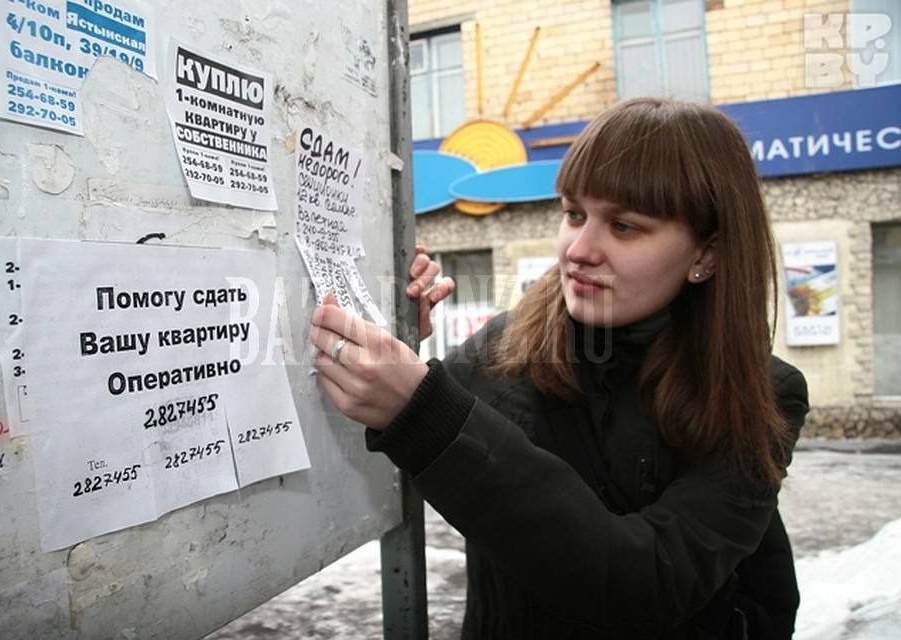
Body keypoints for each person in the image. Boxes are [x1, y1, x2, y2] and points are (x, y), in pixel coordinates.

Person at [310, 97, 810, 639]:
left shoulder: (764, 396)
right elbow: (382, 435)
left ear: (705, 255)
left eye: (624, 226)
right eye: (574, 214)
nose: (579, 249)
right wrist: (393, 337)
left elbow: (642, 584)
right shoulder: (505, 346)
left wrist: (424, 410)